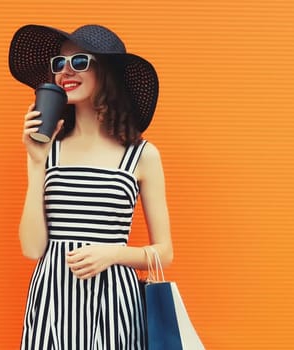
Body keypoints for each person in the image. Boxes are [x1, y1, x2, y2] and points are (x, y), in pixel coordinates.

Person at [9, 24, 173, 349]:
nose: (66, 71)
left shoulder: (142, 155)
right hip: (52, 300)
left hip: (114, 303)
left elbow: (164, 253)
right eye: (59, 64)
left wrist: (112, 253)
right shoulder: (49, 150)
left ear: (107, 72)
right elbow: (31, 249)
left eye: (79, 62)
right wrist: (35, 161)